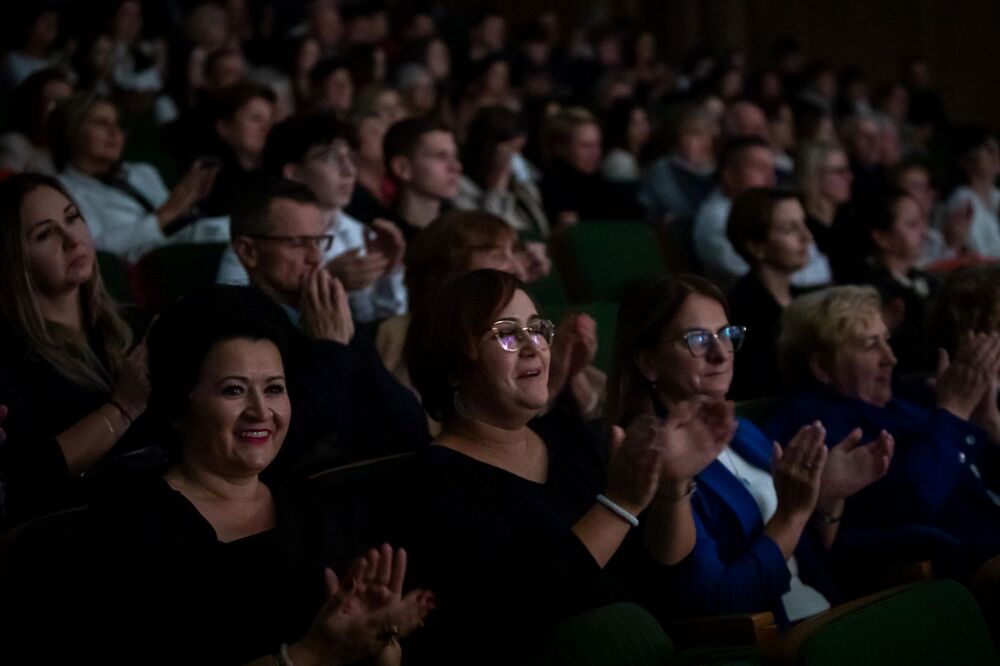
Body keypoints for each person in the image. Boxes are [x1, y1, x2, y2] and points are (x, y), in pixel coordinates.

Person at [53, 286, 434, 664]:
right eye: (234, 390)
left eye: (274, 389)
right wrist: (312, 654)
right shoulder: (131, 521)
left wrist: (381, 638)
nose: (261, 411)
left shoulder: (325, 508)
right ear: (179, 405)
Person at [399, 268, 731, 663]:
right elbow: (523, 608)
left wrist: (673, 489)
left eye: (537, 328)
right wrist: (619, 504)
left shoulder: (574, 439)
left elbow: (665, 574)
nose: (533, 346)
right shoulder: (433, 481)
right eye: (507, 334)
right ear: (454, 367)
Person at [607, 274, 893, 624]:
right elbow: (718, 603)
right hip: (774, 639)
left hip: (825, 613)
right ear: (648, 362)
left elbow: (802, 559)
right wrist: (791, 515)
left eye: (726, 334)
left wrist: (827, 500)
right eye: (697, 339)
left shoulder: (745, 433)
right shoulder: (647, 458)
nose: (721, 354)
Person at [767, 286, 1000, 561]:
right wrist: (954, 412)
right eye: (870, 345)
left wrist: (989, 426)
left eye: (886, 341)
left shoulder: (903, 398)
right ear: (822, 366)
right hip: (960, 558)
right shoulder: (814, 426)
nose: (890, 359)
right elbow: (915, 501)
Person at [228, 178, 428, 470]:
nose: (315, 257)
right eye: (297, 243)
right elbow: (291, 440)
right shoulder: (234, 329)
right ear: (248, 251)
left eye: (320, 241)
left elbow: (410, 426)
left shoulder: (328, 314)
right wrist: (331, 348)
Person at [0, 173, 150, 528]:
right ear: (14, 260)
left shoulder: (133, 323)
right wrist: (123, 408)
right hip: (77, 523)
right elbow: (26, 476)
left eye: (72, 218)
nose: (72, 239)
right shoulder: (9, 355)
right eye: (45, 234)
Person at [376, 210, 603, 424]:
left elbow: (602, 414)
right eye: (498, 255)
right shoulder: (404, 332)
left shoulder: (530, 328)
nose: (516, 267)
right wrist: (553, 382)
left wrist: (571, 372)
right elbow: (426, 427)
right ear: (451, 271)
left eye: (513, 252)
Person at [218, 113, 406, 324]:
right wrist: (325, 281)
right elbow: (232, 316)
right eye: (331, 158)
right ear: (294, 173)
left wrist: (389, 271)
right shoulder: (256, 234)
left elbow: (378, 322)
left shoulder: (361, 233)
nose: (349, 170)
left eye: (352, 158)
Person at [49, 93, 222, 262]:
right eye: (101, 123)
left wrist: (191, 196)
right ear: (72, 130)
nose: (115, 133)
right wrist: (166, 214)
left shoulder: (142, 171)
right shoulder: (61, 190)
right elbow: (96, 248)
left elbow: (174, 219)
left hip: (178, 247)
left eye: (118, 125)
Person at [694, 136, 831, 290]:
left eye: (772, 168)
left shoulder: (777, 208)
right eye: (759, 168)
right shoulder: (716, 220)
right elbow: (760, 275)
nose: (770, 177)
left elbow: (820, 266)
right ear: (729, 175)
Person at [726, 188, 814, 399]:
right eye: (790, 229)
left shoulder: (805, 299)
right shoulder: (742, 311)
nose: (807, 237)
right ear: (756, 246)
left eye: (804, 224)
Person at [860, 189, 938, 373]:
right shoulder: (871, 291)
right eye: (912, 225)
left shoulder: (927, 280)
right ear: (882, 237)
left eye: (922, 222)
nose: (924, 232)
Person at [453, 105, 550, 238]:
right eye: (512, 151)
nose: (517, 160)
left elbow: (541, 227)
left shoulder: (521, 185)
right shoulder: (460, 187)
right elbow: (491, 233)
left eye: (519, 151)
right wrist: (498, 184)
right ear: (489, 150)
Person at [539, 106, 642, 228]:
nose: (595, 153)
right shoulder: (549, 192)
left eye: (598, 145)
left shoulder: (605, 189)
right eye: (586, 146)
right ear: (560, 148)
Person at [195, 81, 277, 217]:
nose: (267, 128)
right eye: (256, 119)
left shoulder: (279, 176)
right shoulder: (209, 181)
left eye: (271, 121)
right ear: (224, 127)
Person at [382, 117, 462, 242]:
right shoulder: (382, 238)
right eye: (441, 156)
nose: (456, 167)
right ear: (403, 168)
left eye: (455, 156)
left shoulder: (464, 232)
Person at [0, 67, 73, 174]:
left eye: (67, 103)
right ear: (33, 105)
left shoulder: (63, 153)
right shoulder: (14, 143)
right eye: (57, 101)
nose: (63, 109)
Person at [946, 127, 1000, 259]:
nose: (996, 155)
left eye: (997, 149)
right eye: (989, 150)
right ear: (966, 160)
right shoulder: (962, 200)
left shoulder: (997, 195)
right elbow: (977, 254)